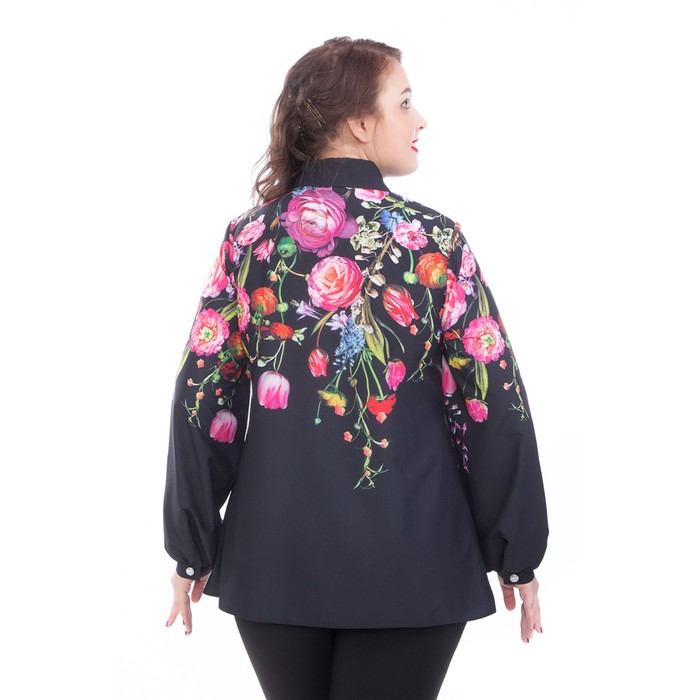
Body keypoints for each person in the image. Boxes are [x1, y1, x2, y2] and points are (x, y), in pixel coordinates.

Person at [163, 37, 548, 700]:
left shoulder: (249, 240)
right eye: (405, 102)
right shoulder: (433, 241)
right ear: (360, 124)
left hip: (274, 557)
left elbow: (203, 398)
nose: (420, 118)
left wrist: (192, 544)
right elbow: (491, 404)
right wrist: (516, 554)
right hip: (413, 556)